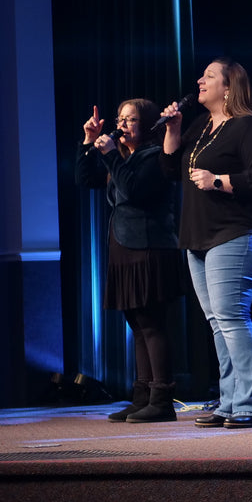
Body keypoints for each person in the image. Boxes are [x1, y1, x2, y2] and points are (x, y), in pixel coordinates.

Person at [160, 59, 252, 428]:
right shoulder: (199, 126)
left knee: (231, 317)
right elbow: (170, 170)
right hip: (199, 237)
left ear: (229, 87)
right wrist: (173, 129)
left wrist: (218, 180)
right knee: (217, 322)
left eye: (209, 76)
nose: (200, 80)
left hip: (237, 232)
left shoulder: (248, 126)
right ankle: (231, 401)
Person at [76, 99, 187, 422]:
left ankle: (162, 399)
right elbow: (85, 179)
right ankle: (142, 396)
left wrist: (111, 155)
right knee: (137, 325)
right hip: (125, 247)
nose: (122, 125)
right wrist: (88, 142)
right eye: (120, 119)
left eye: (131, 120)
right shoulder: (126, 158)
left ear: (148, 124)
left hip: (150, 248)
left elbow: (134, 190)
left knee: (151, 324)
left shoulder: (153, 156)